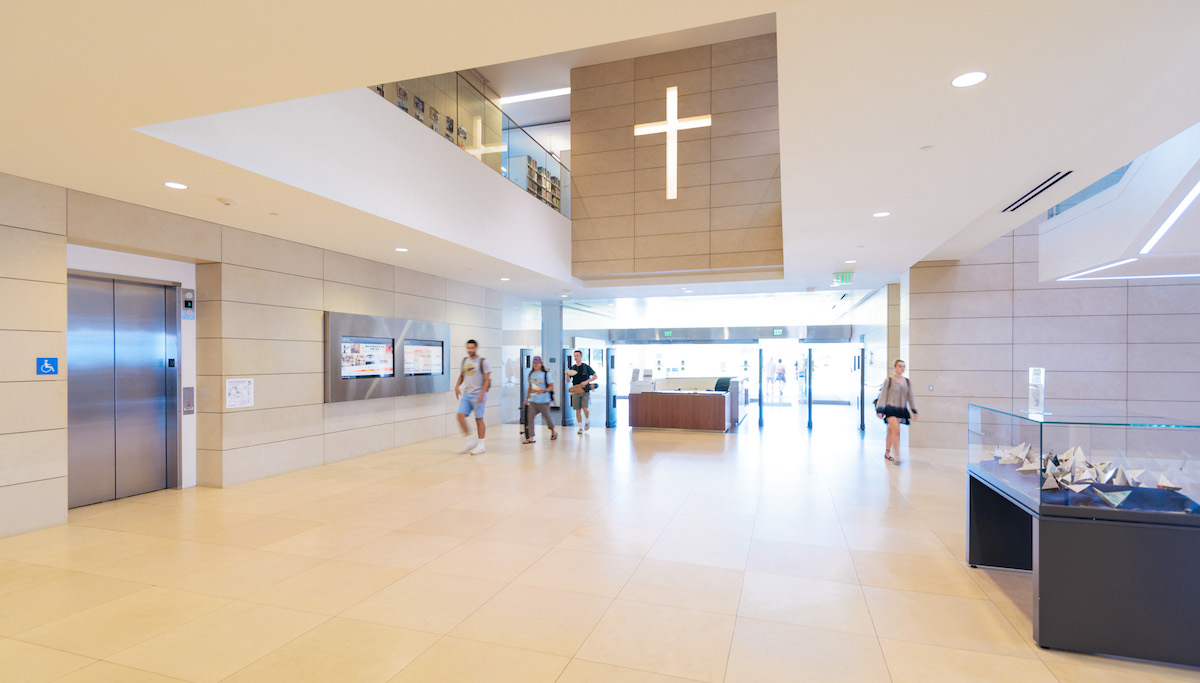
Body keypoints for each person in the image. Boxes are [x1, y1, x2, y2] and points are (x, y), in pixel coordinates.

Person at [875, 359, 918, 463]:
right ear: (895, 368)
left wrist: (914, 410)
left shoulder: (907, 381)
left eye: (903, 366)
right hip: (890, 408)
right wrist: (879, 409)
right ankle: (897, 455)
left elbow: (910, 396)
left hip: (901, 409)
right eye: (899, 366)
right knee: (896, 430)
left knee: (891, 430)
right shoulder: (889, 380)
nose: (902, 368)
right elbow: (883, 394)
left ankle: (887, 452)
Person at [454, 339, 491, 455]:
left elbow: (486, 379)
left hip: (478, 394)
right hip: (467, 394)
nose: (469, 350)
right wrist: (457, 386)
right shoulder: (465, 360)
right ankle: (469, 441)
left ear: (476, 348)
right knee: (460, 416)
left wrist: (482, 394)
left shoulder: (483, 362)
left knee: (479, 419)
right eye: (468, 348)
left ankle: (481, 446)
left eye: (471, 348)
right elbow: (462, 375)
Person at [522, 356, 557, 444]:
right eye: (534, 363)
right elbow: (530, 388)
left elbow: (551, 386)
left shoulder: (546, 374)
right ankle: (531, 437)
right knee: (530, 418)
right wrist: (526, 399)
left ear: (541, 364)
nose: (536, 365)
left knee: (547, 418)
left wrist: (544, 390)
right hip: (533, 401)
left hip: (544, 401)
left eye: (537, 363)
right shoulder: (531, 374)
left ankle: (553, 431)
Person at [565, 350, 597, 434]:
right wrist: (567, 375)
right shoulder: (572, 368)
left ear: (581, 356)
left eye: (577, 355)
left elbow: (595, 376)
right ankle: (580, 428)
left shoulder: (586, 367)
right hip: (575, 391)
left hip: (585, 390)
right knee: (577, 410)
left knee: (585, 408)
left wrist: (586, 382)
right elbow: (568, 381)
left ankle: (587, 420)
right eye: (575, 356)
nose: (576, 357)